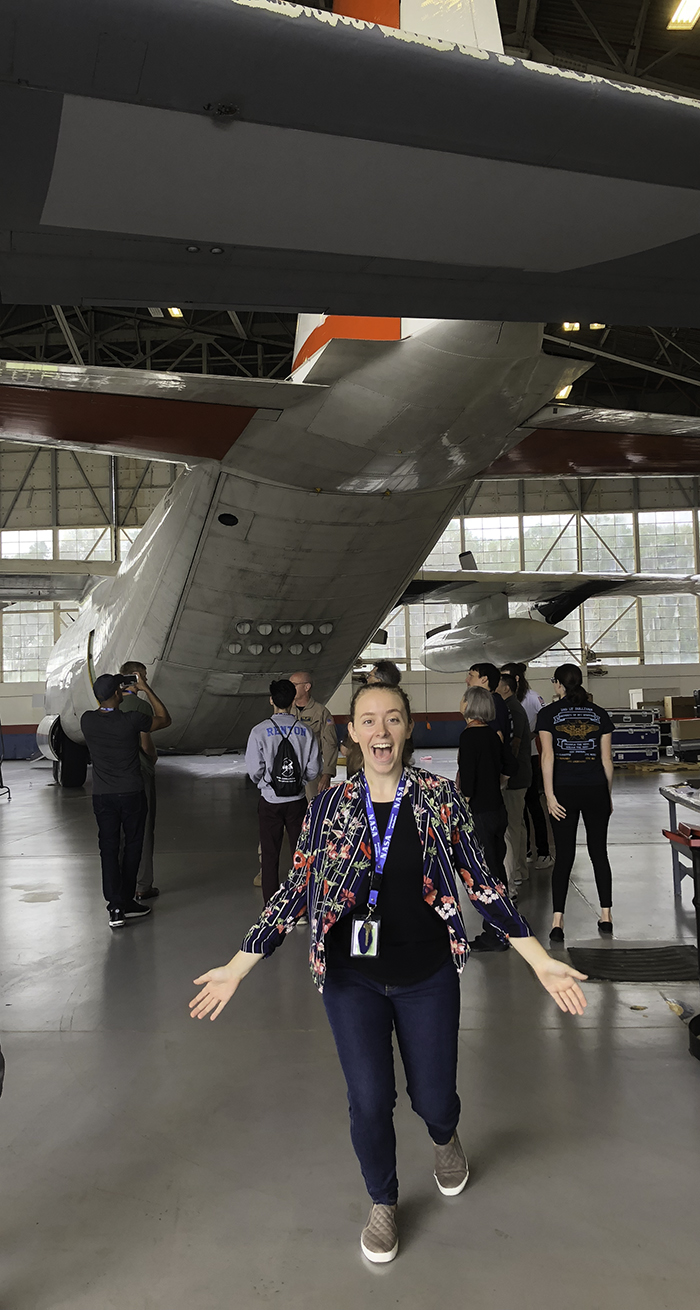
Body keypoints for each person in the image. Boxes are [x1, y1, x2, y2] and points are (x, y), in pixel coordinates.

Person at [190, 682, 587, 1265]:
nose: (381, 731)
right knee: (370, 1099)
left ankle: (444, 1135)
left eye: (393, 719)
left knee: (434, 1097)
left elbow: (482, 883)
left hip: (427, 974)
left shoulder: (438, 799)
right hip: (351, 979)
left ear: (407, 728)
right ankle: (382, 1199)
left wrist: (539, 961)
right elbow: (295, 891)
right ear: (352, 732)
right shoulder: (329, 808)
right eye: (369, 720)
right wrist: (237, 966)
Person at [81, 671, 172, 930]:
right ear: (118, 693)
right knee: (133, 846)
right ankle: (128, 900)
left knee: (109, 849)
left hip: (103, 797)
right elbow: (165, 719)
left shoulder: (87, 720)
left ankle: (116, 907)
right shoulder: (132, 720)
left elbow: (104, 709)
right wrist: (146, 689)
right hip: (131, 793)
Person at [536, 663, 615, 943]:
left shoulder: (548, 714)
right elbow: (607, 760)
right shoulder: (599, 714)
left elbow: (547, 757)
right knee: (599, 853)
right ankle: (606, 916)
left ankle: (558, 922)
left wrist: (549, 795)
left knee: (564, 856)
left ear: (558, 684)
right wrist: (607, 794)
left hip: (564, 791)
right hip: (595, 789)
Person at [246, 679, 320, 904]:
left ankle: (271, 906)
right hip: (297, 801)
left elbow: (254, 770)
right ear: (293, 701)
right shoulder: (305, 731)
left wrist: (267, 783)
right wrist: (299, 781)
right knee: (301, 854)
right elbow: (313, 769)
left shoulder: (259, 731)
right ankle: (301, 904)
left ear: (271, 700)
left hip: (270, 801)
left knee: (270, 855)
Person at [457, 686, 508, 953]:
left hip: (480, 813)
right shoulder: (492, 734)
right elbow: (509, 766)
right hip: (498, 809)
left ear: (470, 705)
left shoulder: (469, 736)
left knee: (485, 873)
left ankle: (495, 932)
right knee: (497, 868)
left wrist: (462, 804)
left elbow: (467, 782)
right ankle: (505, 924)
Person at [501, 662, 552, 869]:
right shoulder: (506, 701)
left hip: (528, 758)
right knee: (518, 813)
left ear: (515, 680)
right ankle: (526, 851)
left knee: (532, 805)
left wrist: (531, 735)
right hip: (515, 760)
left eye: (504, 677)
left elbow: (546, 718)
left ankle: (543, 852)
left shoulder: (531, 697)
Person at [119, 660, 159, 901]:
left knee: (120, 832)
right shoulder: (141, 706)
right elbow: (146, 744)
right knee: (143, 829)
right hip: (139, 771)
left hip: (115, 776)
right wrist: (152, 758)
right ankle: (143, 884)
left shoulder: (110, 705)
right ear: (136, 677)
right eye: (143, 676)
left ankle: (121, 883)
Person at [497, 673, 532, 893]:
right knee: (517, 824)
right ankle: (521, 869)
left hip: (516, 777)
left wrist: (506, 773)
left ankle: (516, 871)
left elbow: (515, 744)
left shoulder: (513, 710)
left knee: (511, 826)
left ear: (507, 688)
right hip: (520, 775)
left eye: (499, 685)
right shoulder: (511, 707)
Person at [290, 670, 339, 798]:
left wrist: (327, 774)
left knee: (311, 804)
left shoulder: (321, 713)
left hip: (311, 772)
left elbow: (330, 744)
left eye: (294, 685)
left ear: (306, 687)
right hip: (289, 770)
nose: (290, 688)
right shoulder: (286, 711)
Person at [465, 663, 510, 743]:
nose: (467, 680)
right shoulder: (491, 700)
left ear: (484, 679)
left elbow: (498, 735)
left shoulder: (492, 702)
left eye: (471, 676)